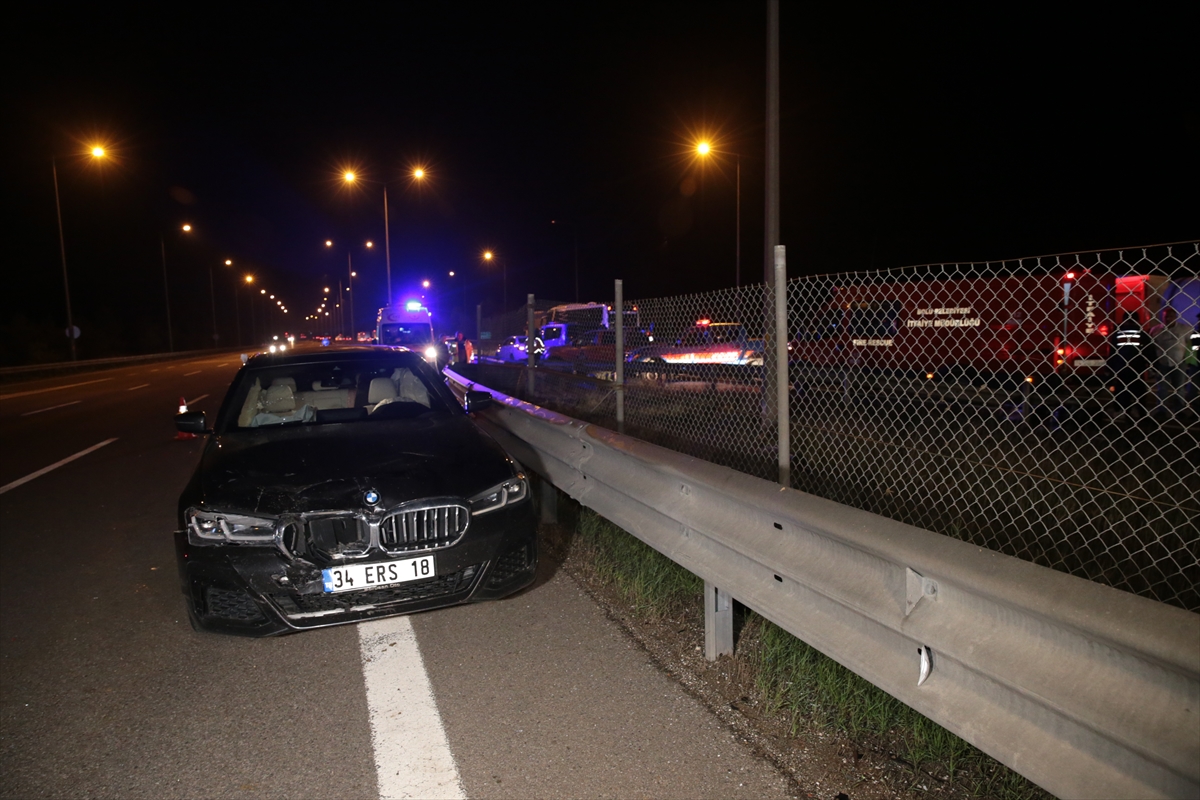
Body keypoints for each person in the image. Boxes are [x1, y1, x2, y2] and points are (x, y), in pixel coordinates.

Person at [1107, 310, 1153, 417]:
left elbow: (1113, 352)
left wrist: (1109, 368)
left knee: (1123, 391)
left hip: (1121, 368)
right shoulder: (1141, 334)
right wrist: (1152, 364)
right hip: (1137, 368)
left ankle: (1126, 413)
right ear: (1137, 320)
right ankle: (1141, 413)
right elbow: (1149, 350)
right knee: (1139, 391)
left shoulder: (1117, 334)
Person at [1152, 307, 1191, 414]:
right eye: (1166, 317)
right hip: (1162, 363)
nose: (1168, 319)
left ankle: (1180, 409)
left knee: (1179, 388)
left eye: (1171, 316)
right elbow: (1152, 346)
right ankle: (1162, 409)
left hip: (1179, 363)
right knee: (1162, 388)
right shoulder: (1156, 330)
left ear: (1175, 317)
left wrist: (1188, 359)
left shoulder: (1184, 329)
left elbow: (1190, 344)